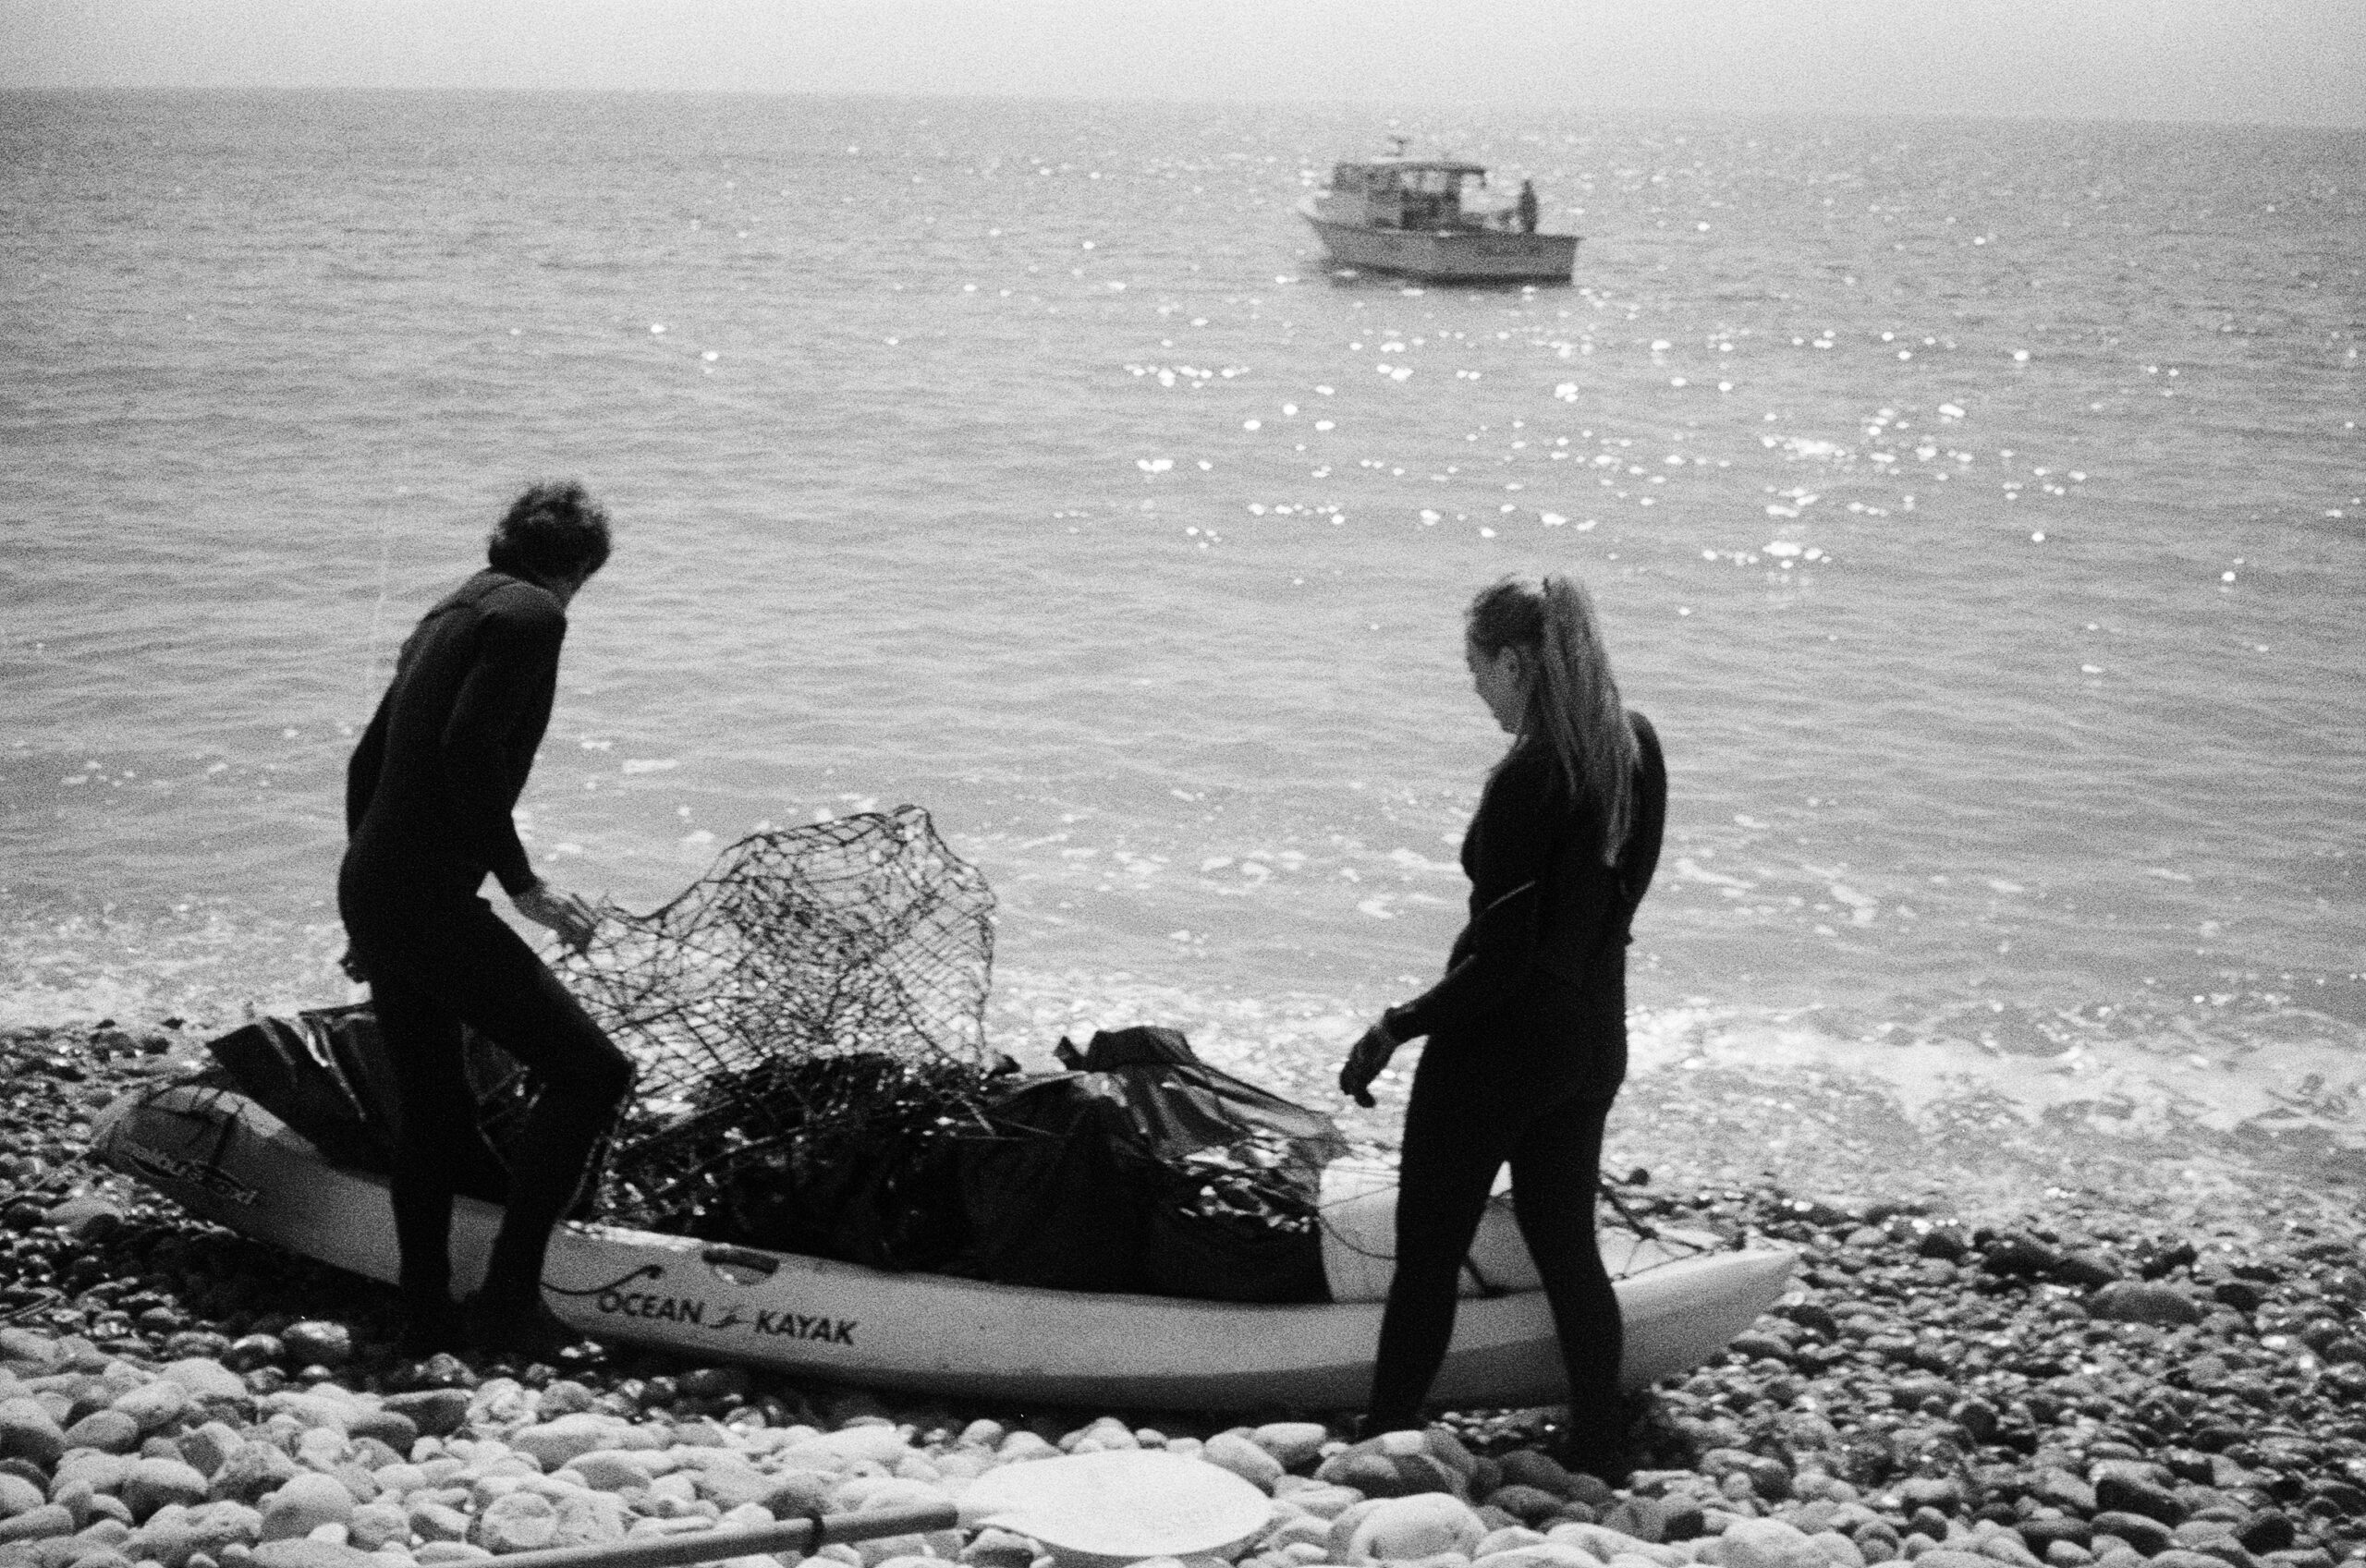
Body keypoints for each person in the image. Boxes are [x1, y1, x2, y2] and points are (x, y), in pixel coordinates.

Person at [1338, 574, 1666, 1476]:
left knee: (1429, 1250)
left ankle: (1384, 1437)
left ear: (1515, 662)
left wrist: (1395, 1025)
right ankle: (1599, 1442)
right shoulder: (1633, 745)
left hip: (1501, 1045)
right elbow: (1620, 905)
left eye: (1477, 668)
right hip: (1592, 1038)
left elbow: (1503, 960)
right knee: (1566, 1246)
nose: (1477, 688)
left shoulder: (1530, 776)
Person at [339, 480, 635, 1358]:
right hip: (427, 898)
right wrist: (524, 884)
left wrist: (364, 905)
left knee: (435, 1105)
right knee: (592, 1073)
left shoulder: (448, 612)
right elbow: (467, 746)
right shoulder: (534, 616)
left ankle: (425, 1311)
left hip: (381, 885)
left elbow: (365, 762)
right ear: (580, 568)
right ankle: (508, 1297)